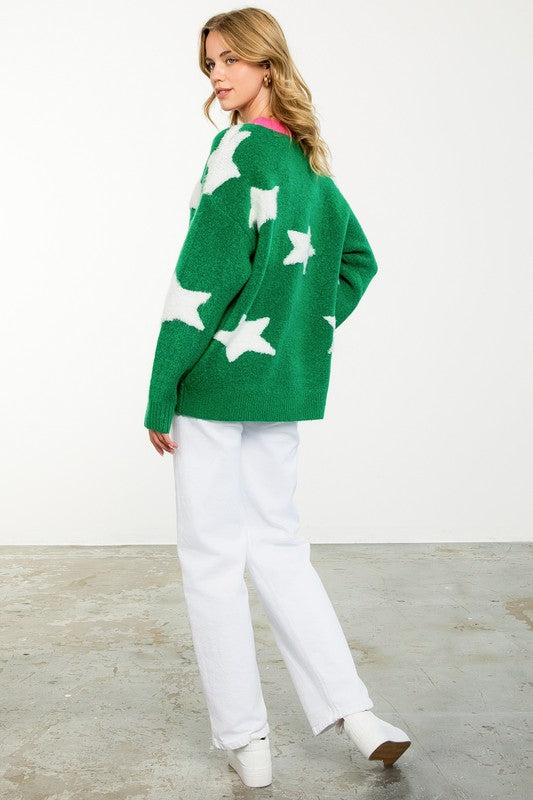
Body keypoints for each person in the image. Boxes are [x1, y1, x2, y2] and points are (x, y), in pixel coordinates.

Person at [144, 7, 411, 789]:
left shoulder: (235, 151)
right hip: (277, 386)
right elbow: (356, 263)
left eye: (231, 59)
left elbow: (201, 279)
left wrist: (160, 390)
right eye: (210, 64)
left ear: (267, 64)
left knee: (212, 561)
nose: (218, 75)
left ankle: (247, 741)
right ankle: (357, 717)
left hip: (213, 385)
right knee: (280, 549)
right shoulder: (308, 162)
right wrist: (298, 336)